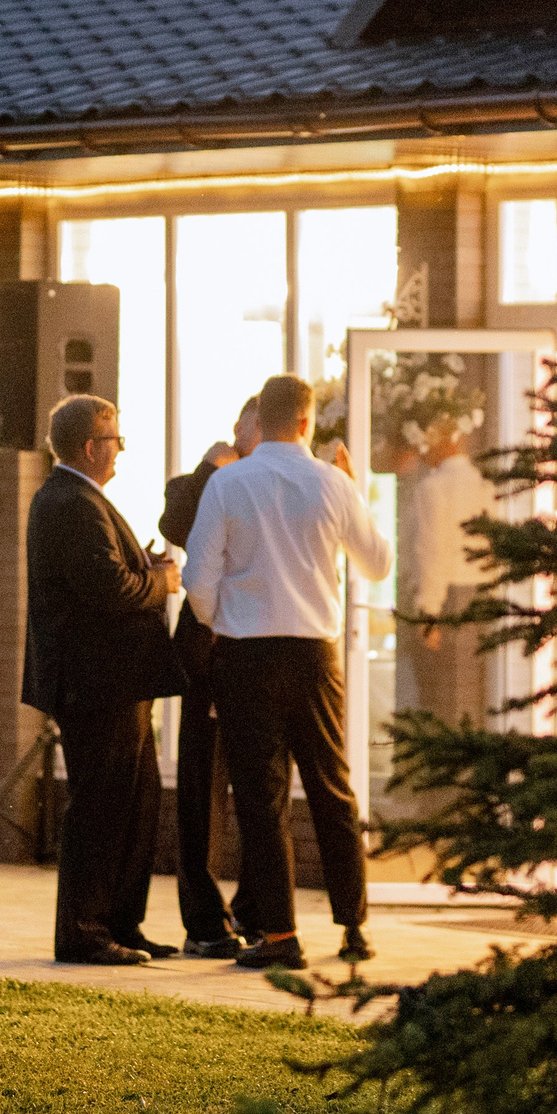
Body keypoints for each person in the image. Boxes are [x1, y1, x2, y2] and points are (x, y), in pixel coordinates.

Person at [185, 374, 393, 971]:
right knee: (332, 788)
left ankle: (280, 938)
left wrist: (228, 617)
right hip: (314, 656)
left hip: (246, 655)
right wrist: (355, 491)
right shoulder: (332, 483)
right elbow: (377, 564)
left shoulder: (227, 484)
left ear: (261, 420)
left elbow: (200, 579)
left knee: (262, 797)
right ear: (306, 423)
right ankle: (353, 928)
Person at [22, 394, 184, 965]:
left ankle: (122, 923)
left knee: (137, 800)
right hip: (97, 683)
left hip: (118, 680)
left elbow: (109, 573)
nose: (121, 451)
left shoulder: (82, 499)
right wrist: (161, 583)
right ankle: (83, 931)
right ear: (91, 447)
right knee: (101, 806)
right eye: (115, 441)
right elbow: (107, 589)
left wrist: (146, 564)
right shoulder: (70, 502)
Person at [159, 396, 263, 959]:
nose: (256, 432)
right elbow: (174, 524)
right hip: (207, 660)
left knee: (258, 792)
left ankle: (253, 909)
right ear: (236, 429)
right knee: (201, 791)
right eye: (250, 423)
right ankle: (203, 920)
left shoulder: (274, 487)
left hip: (258, 659)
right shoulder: (192, 483)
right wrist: (207, 470)